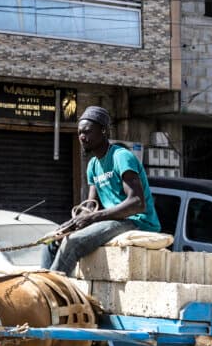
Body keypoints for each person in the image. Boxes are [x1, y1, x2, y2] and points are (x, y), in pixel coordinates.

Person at [47, 105, 162, 275]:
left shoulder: (121, 156)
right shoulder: (92, 165)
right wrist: (70, 224)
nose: (82, 137)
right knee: (52, 241)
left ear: (103, 131)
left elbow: (137, 203)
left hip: (137, 221)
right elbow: (91, 207)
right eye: (79, 133)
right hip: (114, 220)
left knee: (73, 243)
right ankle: (47, 286)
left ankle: (52, 293)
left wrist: (94, 217)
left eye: (87, 132)